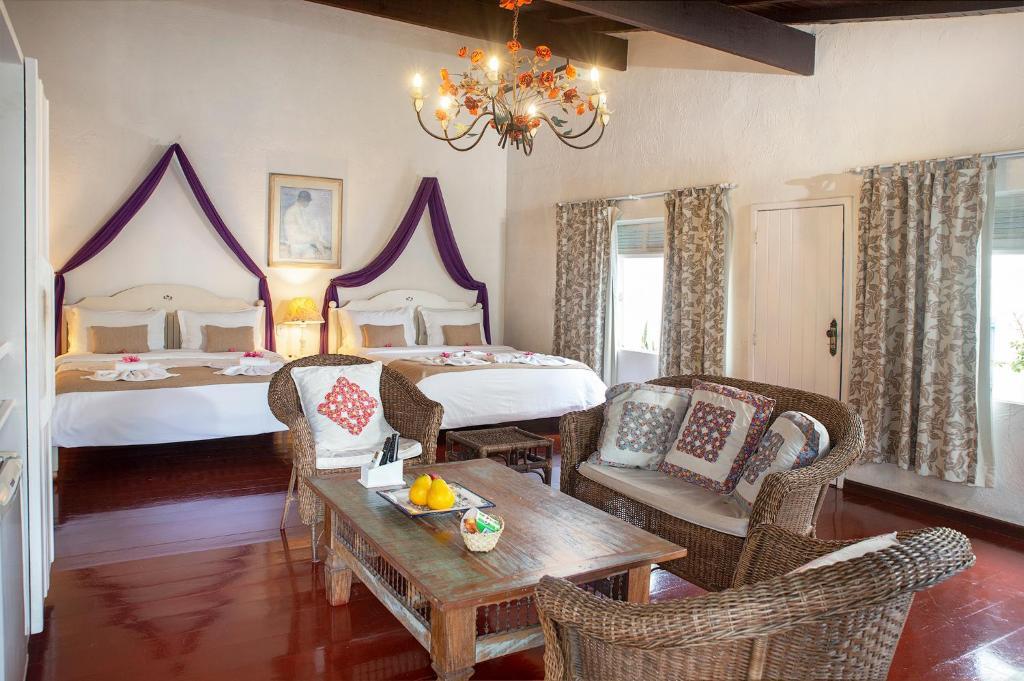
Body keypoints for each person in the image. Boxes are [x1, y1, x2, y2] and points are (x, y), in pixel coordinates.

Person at [281, 190, 330, 260]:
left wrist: (314, 234)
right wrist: (314, 236)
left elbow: (305, 227)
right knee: (316, 239)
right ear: (303, 200)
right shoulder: (294, 211)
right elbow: (301, 229)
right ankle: (324, 254)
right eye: (308, 201)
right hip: (295, 242)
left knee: (316, 239)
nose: (308, 203)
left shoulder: (298, 210)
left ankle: (323, 252)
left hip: (298, 240)